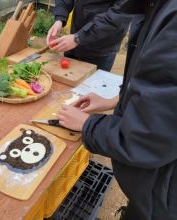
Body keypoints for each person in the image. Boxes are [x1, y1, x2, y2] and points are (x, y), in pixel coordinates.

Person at [58, 0, 177, 219]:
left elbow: (147, 137)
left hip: (165, 197)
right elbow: (160, 88)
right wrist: (114, 100)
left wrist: (88, 124)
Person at [47, 0, 131, 71]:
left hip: (100, 48)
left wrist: (78, 37)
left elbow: (119, 16)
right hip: (74, 41)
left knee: (91, 87)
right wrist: (60, 18)